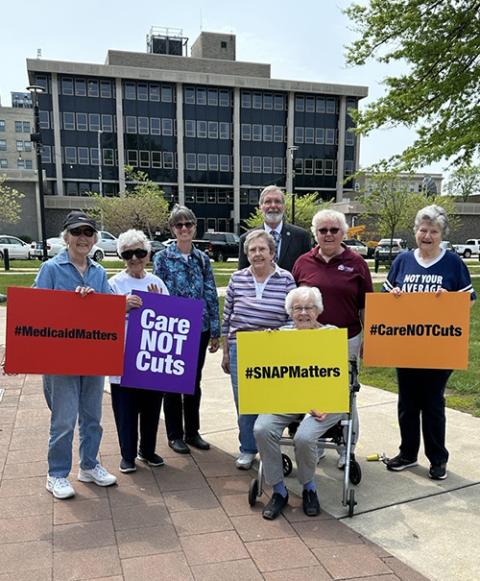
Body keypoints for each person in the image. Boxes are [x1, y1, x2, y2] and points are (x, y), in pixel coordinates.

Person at [383, 205, 476, 480]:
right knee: (407, 402)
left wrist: (447, 300)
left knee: (433, 403)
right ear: (415, 231)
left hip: (439, 346)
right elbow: (387, 301)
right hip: (407, 345)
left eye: (433, 231)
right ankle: (408, 453)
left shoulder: (453, 263)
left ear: (441, 234)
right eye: (423, 230)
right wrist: (395, 297)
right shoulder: (402, 261)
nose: (427, 235)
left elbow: (468, 301)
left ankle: (437, 458)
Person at [35, 211, 117, 500]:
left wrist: (108, 302)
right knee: (64, 419)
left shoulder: (99, 271)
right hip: (61, 359)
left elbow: (110, 311)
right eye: (77, 232)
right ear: (66, 237)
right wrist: (71, 301)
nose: (82, 238)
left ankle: (89, 465)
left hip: (93, 355)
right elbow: (35, 309)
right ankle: (56, 474)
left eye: (88, 233)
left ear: (94, 238)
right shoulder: (51, 269)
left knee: (93, 416)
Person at [254, 286, 345, 520]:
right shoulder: (281, 334)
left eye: (309, 307)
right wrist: (264, 345)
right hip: (289, 399)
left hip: (325, 402)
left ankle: (309, 487)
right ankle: (279, 491)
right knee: (262, 429)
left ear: (318, 310)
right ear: (290, 311)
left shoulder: (331, 334)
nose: (303, 313)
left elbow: (339, 375)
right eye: (297, 308)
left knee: (304, 437)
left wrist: (324, 402)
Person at [292, 209, 373, 467]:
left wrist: (369, 338)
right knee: (311, 391)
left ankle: (346, 450)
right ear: (315, 233)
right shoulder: (302, 262)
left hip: (347, 338)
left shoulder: (356, 262)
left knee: (346, 394)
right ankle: (314, 447)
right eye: (322, 230)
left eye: (333, 230)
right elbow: (294, 303)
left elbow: (365, 305)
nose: (328, 235)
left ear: (343, 233)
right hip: (311, 340)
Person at [222, 230, 297, 469]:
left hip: (273, 348)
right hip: (240, 348)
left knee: (271, 401)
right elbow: (227, 318)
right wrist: (225, 352)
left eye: (262, 249)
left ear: (272, 253)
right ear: (247, 254)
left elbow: (293, 317)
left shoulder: (286, 279)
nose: (257, 254)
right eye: (252, 250)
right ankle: (247, 448)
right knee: (245, 403)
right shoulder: (237, 279)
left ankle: (268, 445)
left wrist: (281, 334)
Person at [153, 205, 220, 454]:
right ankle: (174, 434)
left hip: (199, 327)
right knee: (172, 381)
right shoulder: (162, 258)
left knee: (193, 381)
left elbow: (211, 293)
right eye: (179, 225)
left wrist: (215, 330)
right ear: (172, 229)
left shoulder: (202, 258)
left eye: (188, 224)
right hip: (173, 327)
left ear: (194, 227)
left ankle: (192, 431)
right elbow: (157, 292)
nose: (184, 229)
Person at [109, 229, 169, 474]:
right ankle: (127, 454)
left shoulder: (157, 282)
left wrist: (159, 304)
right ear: (121, 255)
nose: (134, 258)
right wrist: (121, 307)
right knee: (125, 409)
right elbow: (100, 321)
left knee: (152, 407)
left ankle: (148, 449)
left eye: (140, 252)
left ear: (148, 254)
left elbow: (172, 320)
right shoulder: (114, 283)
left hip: (152, 357)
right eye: (128, 253)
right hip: (123, 358)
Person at [238, 185, 311, 272]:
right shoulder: (246, 239)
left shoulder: (301, 237)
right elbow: (242, 275)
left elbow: (306, 272)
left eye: (277, 201)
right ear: (260, 207)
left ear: (284, 206)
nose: (273, 206)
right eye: (268, 202)